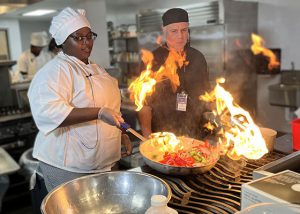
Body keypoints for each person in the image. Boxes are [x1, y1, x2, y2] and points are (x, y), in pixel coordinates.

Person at [27, 7, 132, 192]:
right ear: (62, 41)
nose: (87, 43)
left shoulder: (98, 70)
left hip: (103, 163)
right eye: (78, 38)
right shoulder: (54, 71)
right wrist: (98, 113)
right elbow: (49, 113)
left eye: (89, 36)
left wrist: (119, 134)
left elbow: (111, 108)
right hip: (69, 167)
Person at [138, 8, 210, 139]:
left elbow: (206, 96)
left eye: (184, 30)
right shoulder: (151, 60)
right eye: (174, 31)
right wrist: (147, 137)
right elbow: (144, 105)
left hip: (195, 133)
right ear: (164, 31)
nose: (180, 36)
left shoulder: (198, 57)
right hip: (162, 134)